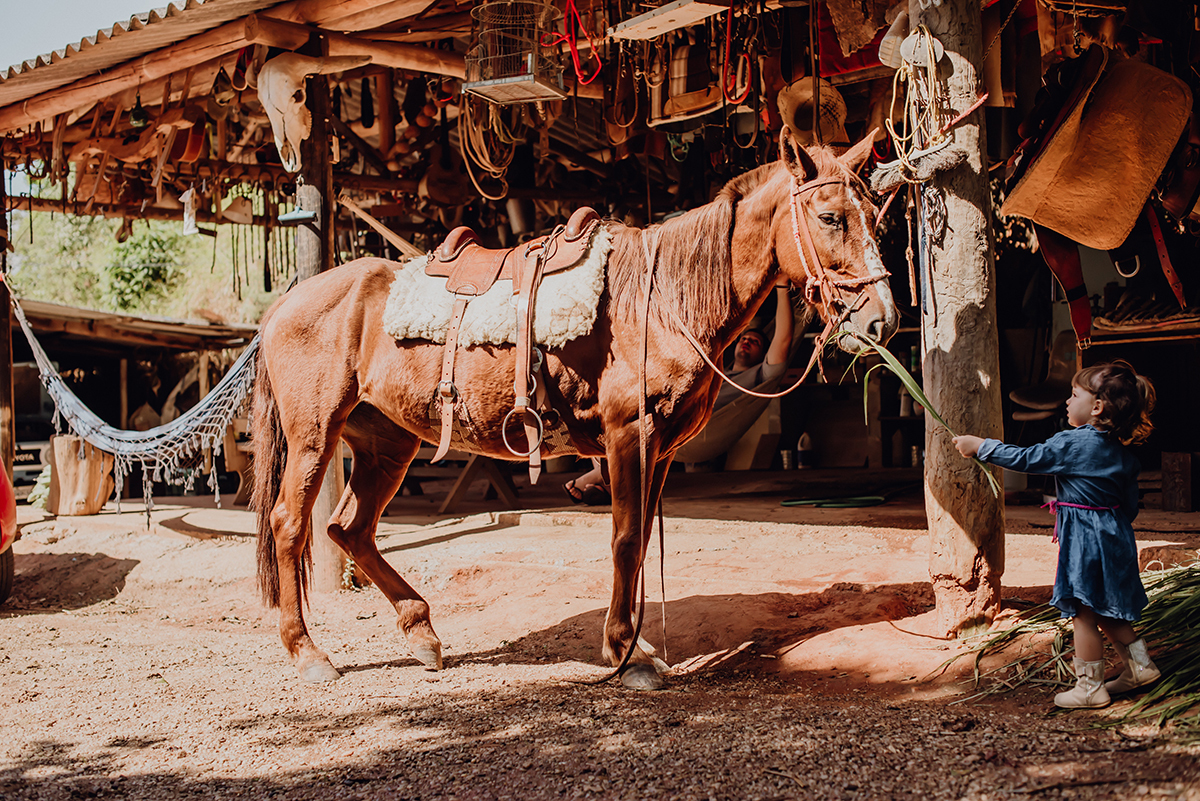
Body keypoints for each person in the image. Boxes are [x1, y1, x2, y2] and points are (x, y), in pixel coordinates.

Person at [952, 360, 1159, 709]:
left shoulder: (1074, 443)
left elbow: (1027, 458)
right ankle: (1140, 667)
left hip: (1086, 539)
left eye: (1074, 394)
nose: (1067, 400)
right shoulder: (1124, 455)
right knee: (1107, 608)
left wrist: (981, 446)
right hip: (1117, 536)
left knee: (1082, 612)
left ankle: (1090, 689)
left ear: (1096, 407)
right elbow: (1130, 506)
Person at [564, 281, 796, 505]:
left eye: (754, 342)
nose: (746, 342)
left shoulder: (759, 377)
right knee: (612, 412)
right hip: (670, 407)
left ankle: (603, 479)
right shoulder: (714, 365)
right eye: (743, 338)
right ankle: (608, 484)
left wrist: (782, 288)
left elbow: (783, 339)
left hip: (691, 426)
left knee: (629, 425)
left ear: (764, 353)